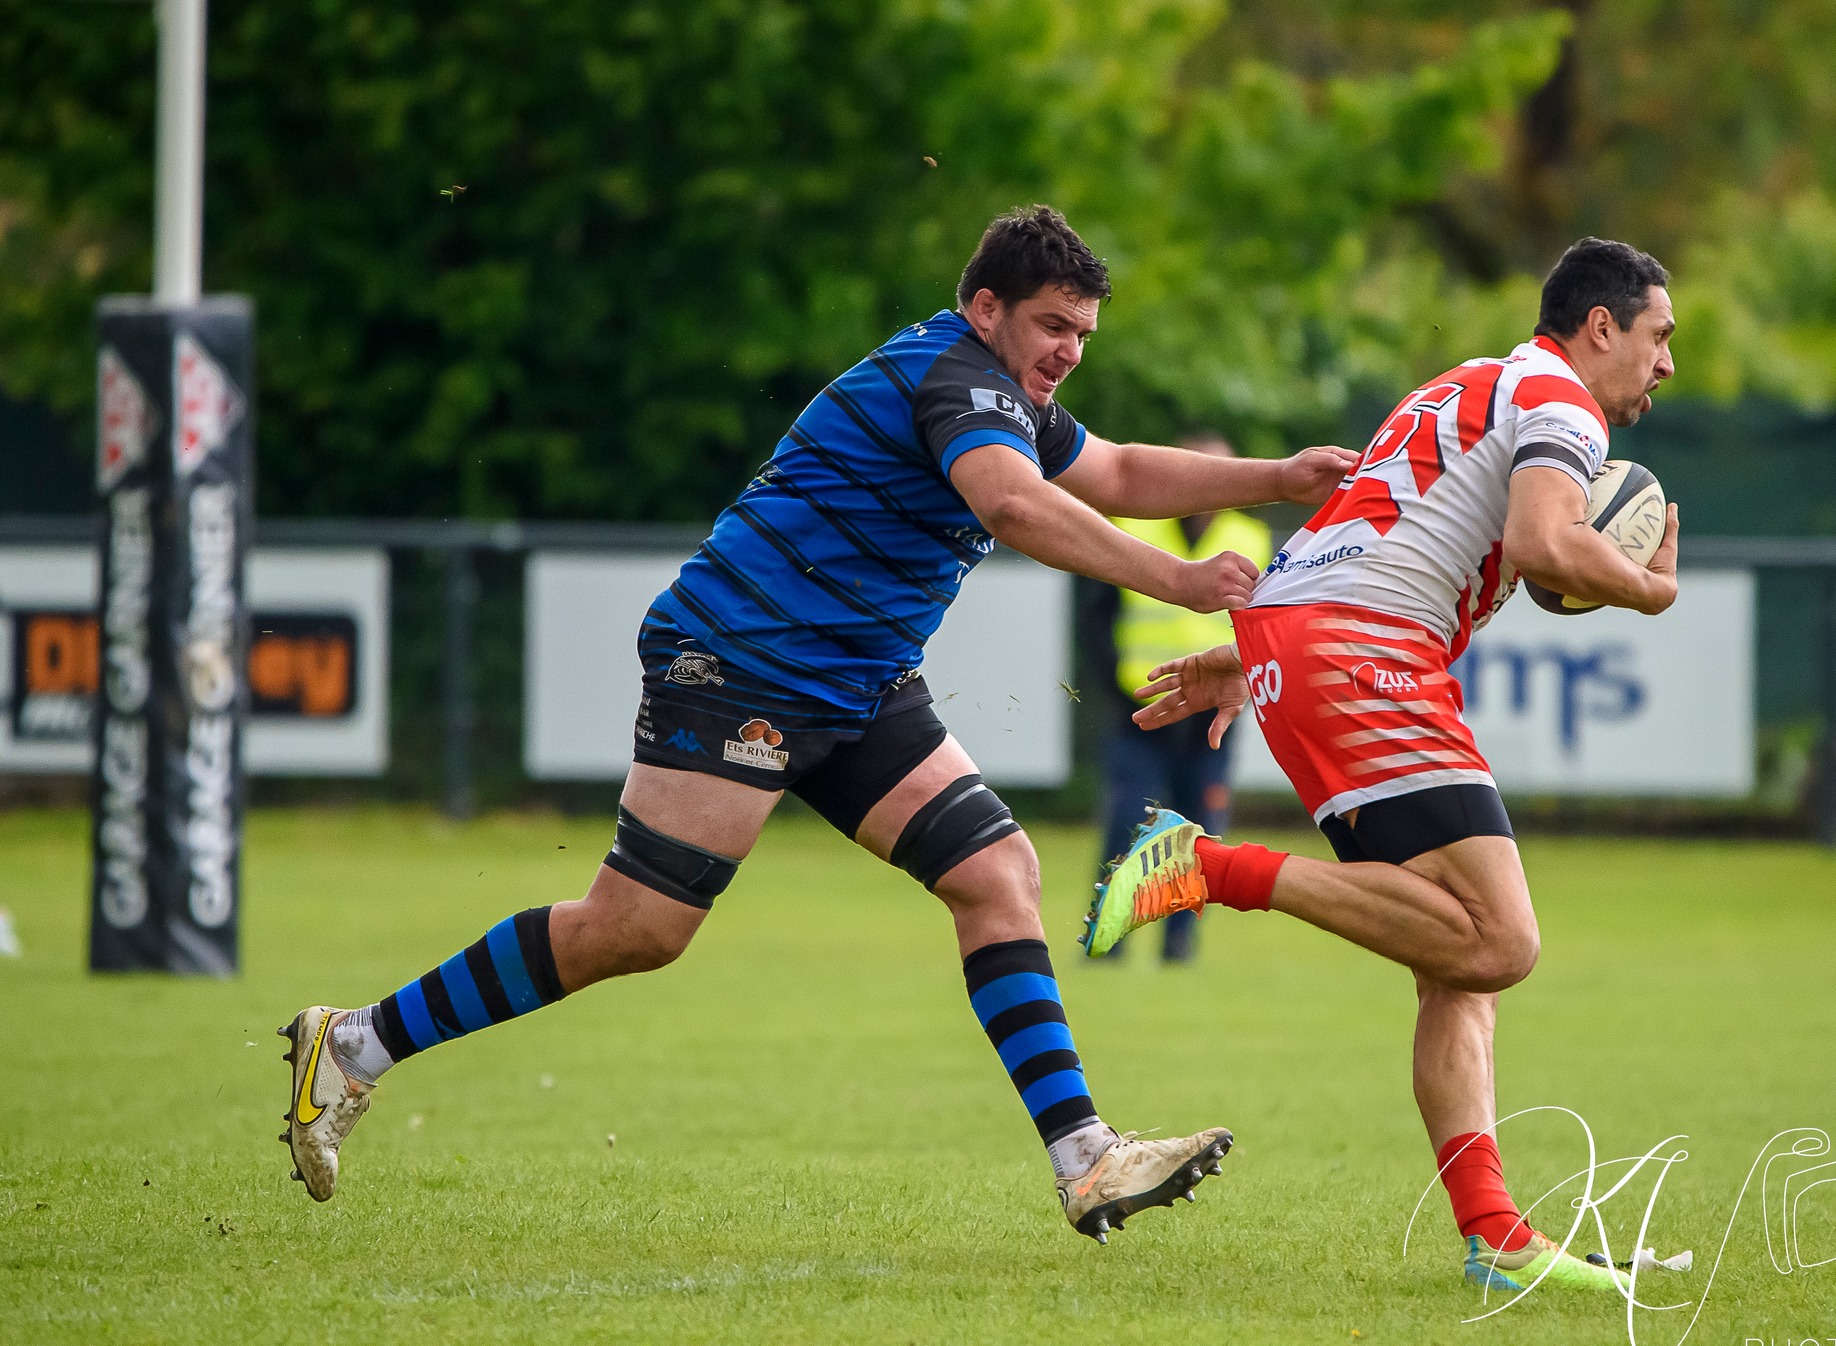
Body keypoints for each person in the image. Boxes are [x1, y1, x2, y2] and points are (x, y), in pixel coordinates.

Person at [276, 205, 1353, 1243]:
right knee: (637, 928)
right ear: (986, 307)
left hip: (854, 681)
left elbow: (1113, 469)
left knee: (997, 874)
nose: (1068, 350)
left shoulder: (997, 389)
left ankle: (1084, 1158)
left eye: (1081, 332)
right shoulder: (956, 379)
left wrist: (1275, 477)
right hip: (740, 662)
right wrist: (1176, 575)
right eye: (1051, 326)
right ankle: (356, 1040)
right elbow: (1013, 507)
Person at [1083, 238, 1681, 1288]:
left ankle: (1492, 1237)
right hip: (1366, 651)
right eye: (1657, 335)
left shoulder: (1470, 382)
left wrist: (1250, 658)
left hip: (1309, 636)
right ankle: (1201, 866)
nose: (1664, 362)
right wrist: (1646, 589)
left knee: (1453, 964)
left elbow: (1368, 529)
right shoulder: (1560, 398)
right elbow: (1543, 544)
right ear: (1600, 327)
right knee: (1497, 942)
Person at [1078, 435, 1271, 962]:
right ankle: (1107, 942)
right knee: (1125, 823)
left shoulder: (1250, 537)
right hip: (1140, 708)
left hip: (1209, 717)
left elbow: (1268, 629)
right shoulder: (1135, 528)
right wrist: (1115, 684)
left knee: (1198, 834)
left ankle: (1178, 947)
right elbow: (1097, 618)